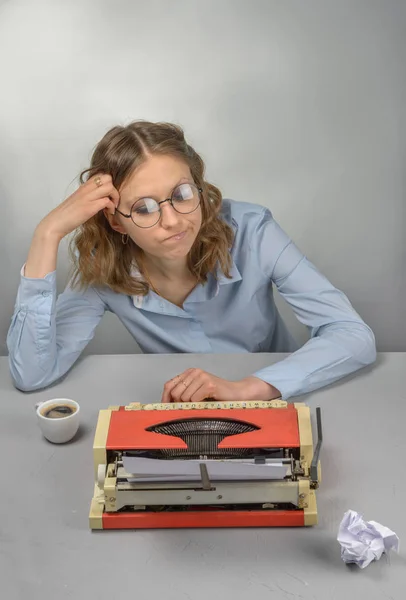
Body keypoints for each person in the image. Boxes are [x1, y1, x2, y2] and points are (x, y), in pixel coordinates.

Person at [7, 120, 376, 402]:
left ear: (198, 186)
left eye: (182, 194)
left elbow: (353, 335)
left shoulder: (252, 231)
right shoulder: (104, 267)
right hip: (183, 417)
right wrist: (47, 235)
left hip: (282, 399)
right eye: (143, 208)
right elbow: (33, 375)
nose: (172, 221)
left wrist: (251, 388)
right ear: (116, 220)